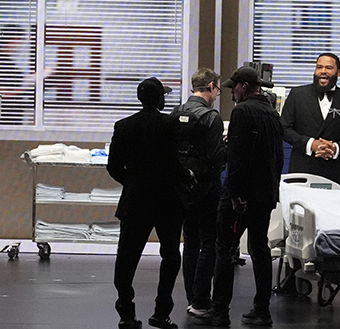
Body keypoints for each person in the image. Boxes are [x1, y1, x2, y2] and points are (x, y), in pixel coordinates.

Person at [197, 66, 283, 328]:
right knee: (260, 249)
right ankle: (262, 310)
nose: (232, 93)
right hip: (265, 194)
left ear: (245, 86)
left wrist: (234, 194)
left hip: (241, 196)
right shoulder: (272, 113)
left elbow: (237, 159)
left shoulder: (242, 112)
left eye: (234, 87)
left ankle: (220, 310)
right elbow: (277, 158)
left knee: (225, 249)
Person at [108, 77, 186, 329]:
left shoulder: (123, 126)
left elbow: (113, 167)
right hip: (167, 200)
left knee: (127, 258)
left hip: (135, 200)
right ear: (160, 99)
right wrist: (187, 177)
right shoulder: (170, 124)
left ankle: (126, 312)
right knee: (171, 256)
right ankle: (161, 312)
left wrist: (132, 182)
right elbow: (174, 164)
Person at [170, 67, 227, 318]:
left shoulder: (175, 112)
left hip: (182, 187)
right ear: (212, 87)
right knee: (209, 244)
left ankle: (191, 297)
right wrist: (228, 147)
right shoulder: (211, 117)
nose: (217, 95)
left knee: (189, 242)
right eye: (217, 90)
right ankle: (202, 300)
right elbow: (216, 157)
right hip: (207, 187)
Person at [279, 52, 340, 187]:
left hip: (334, 171)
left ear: (339, 72)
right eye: (319, 67)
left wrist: (335, 148)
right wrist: (311, 144)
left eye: (329, 68)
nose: (323, 71)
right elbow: (283, 129)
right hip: (302, 169)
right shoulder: (297, 95)